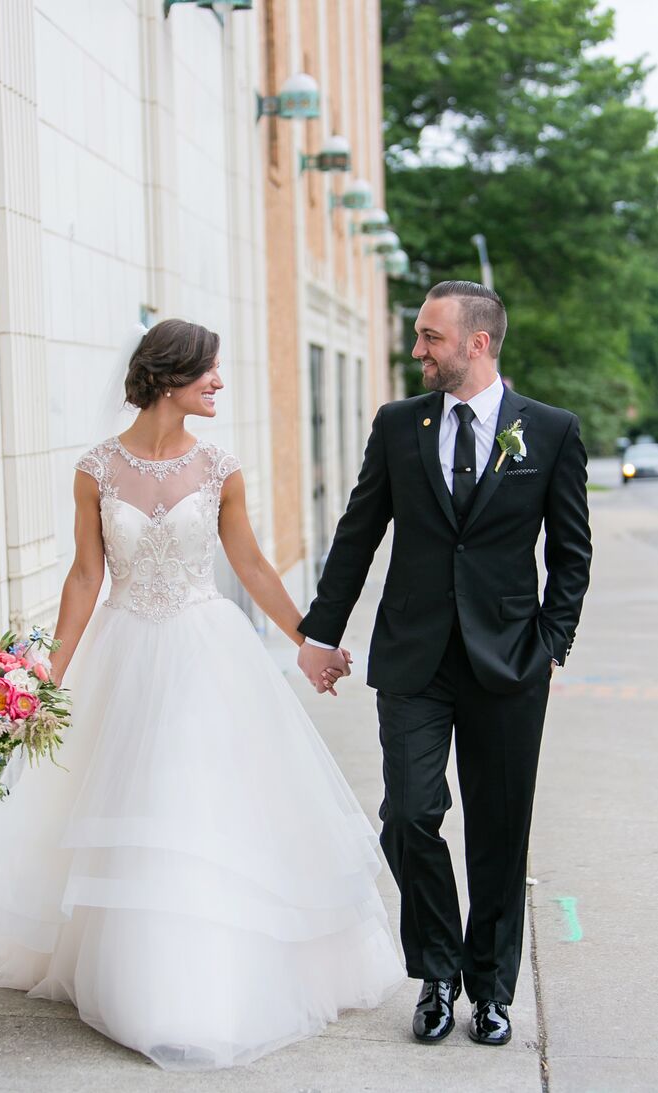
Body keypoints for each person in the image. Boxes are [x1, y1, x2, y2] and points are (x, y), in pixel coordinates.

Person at [0, 319, 404, 1069]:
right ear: (168, 376)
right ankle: (131, 969)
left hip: (204, 650)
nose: (220, 382)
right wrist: (43, 683)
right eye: (209, 371)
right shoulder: (94, 468)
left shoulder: (221, 466)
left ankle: (197, 976)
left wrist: (306, 639)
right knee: (129, 803)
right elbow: (86, 578)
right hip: (122, 654)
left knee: (194, 800)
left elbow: (250, 565)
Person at [297, 281, 592, 1046]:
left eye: (430, 337)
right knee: (410, 812)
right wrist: (318, 634)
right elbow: (358, 533)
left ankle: (490, 989)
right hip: (413, 658)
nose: (417, 349)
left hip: (507, 663)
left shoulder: (550, 430)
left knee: (499, 827)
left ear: (477, 343)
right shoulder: (399, 424)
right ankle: (437, 970)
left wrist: (549, 645)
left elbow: (570, 553)